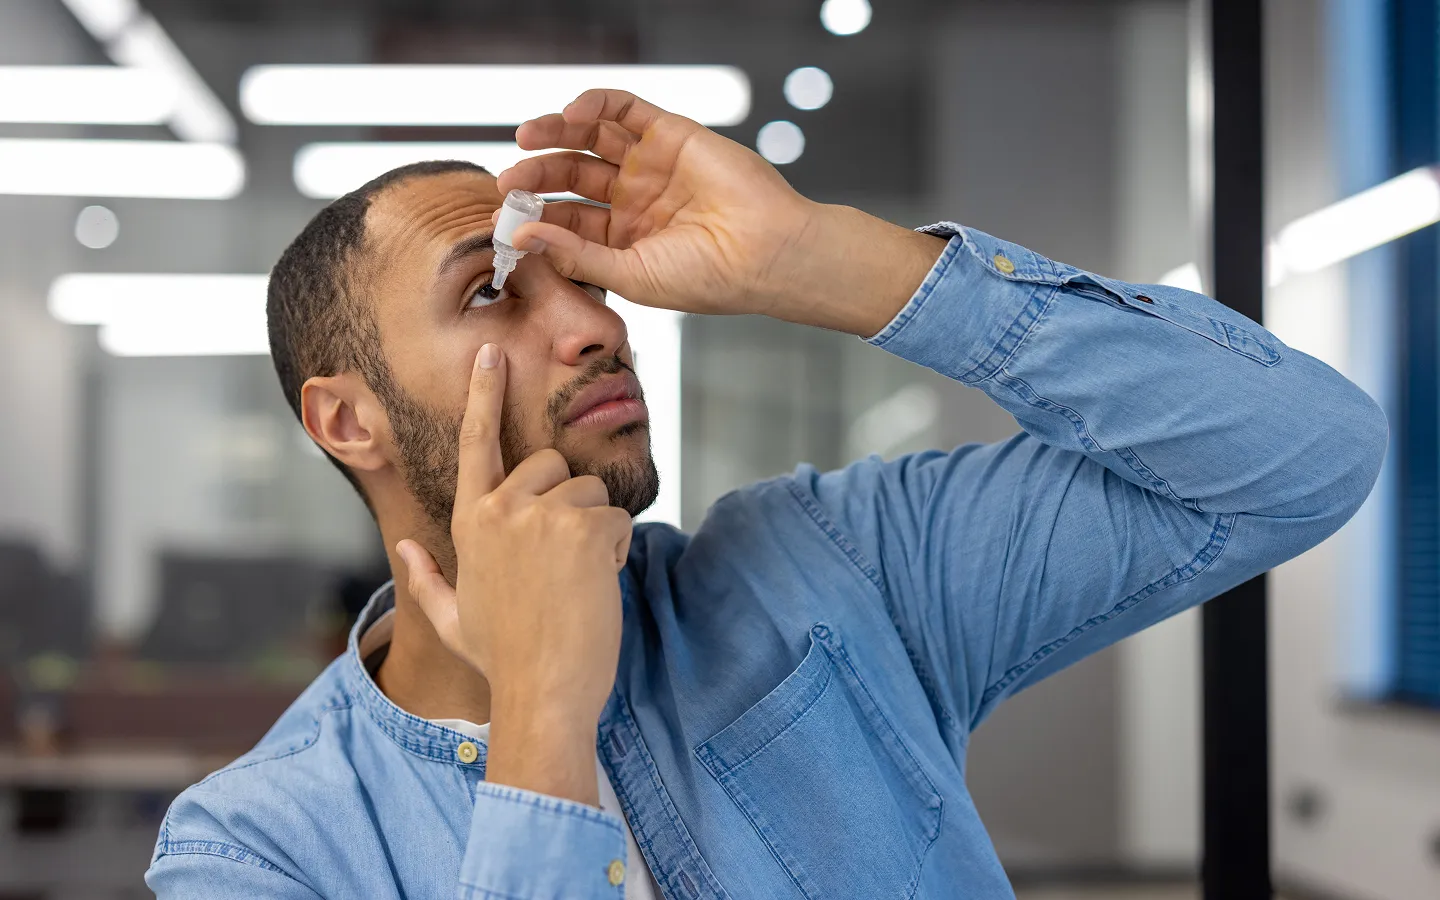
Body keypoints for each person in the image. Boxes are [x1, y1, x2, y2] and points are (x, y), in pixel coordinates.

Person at [145, 90, 1387, 900]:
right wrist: (541, 725)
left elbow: (1300, 452)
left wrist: (828, 262)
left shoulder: (837, 567)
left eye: (576, 276)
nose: (591, 322)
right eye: (491, 291)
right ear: (344, 419)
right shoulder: (256, 850)